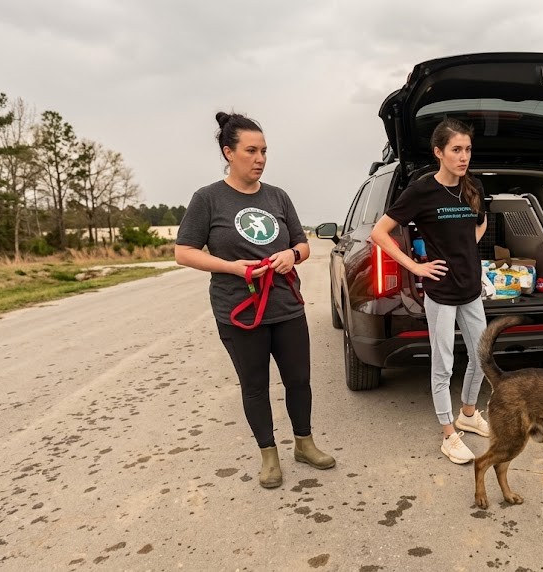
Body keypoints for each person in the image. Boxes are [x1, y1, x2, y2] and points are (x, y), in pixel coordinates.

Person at [175, 111, 334, 489]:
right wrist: (234, 268)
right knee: (255, 385)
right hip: (238, 309)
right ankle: (268, 455)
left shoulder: (278, 196)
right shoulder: (208, 198)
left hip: (286, 305)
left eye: (264, 150)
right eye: (251, 150)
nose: (260, 158)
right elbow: (184, 251)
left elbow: (303, 243)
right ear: (229, 153)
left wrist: (291, 256)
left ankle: (304, 443)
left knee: (299, 380)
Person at [370, 118, 490, 464]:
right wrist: (416, 266)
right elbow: (380, 233)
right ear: (439, 152)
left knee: (481, 356)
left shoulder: (473, 187)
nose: (463, 156)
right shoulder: (422, 190)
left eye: (467, 149)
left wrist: (467, 253)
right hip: (440, 291)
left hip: (470, 289)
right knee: (444, 363)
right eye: (456, 150)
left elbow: (479, 224)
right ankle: (449, 433)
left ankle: (468, 412)